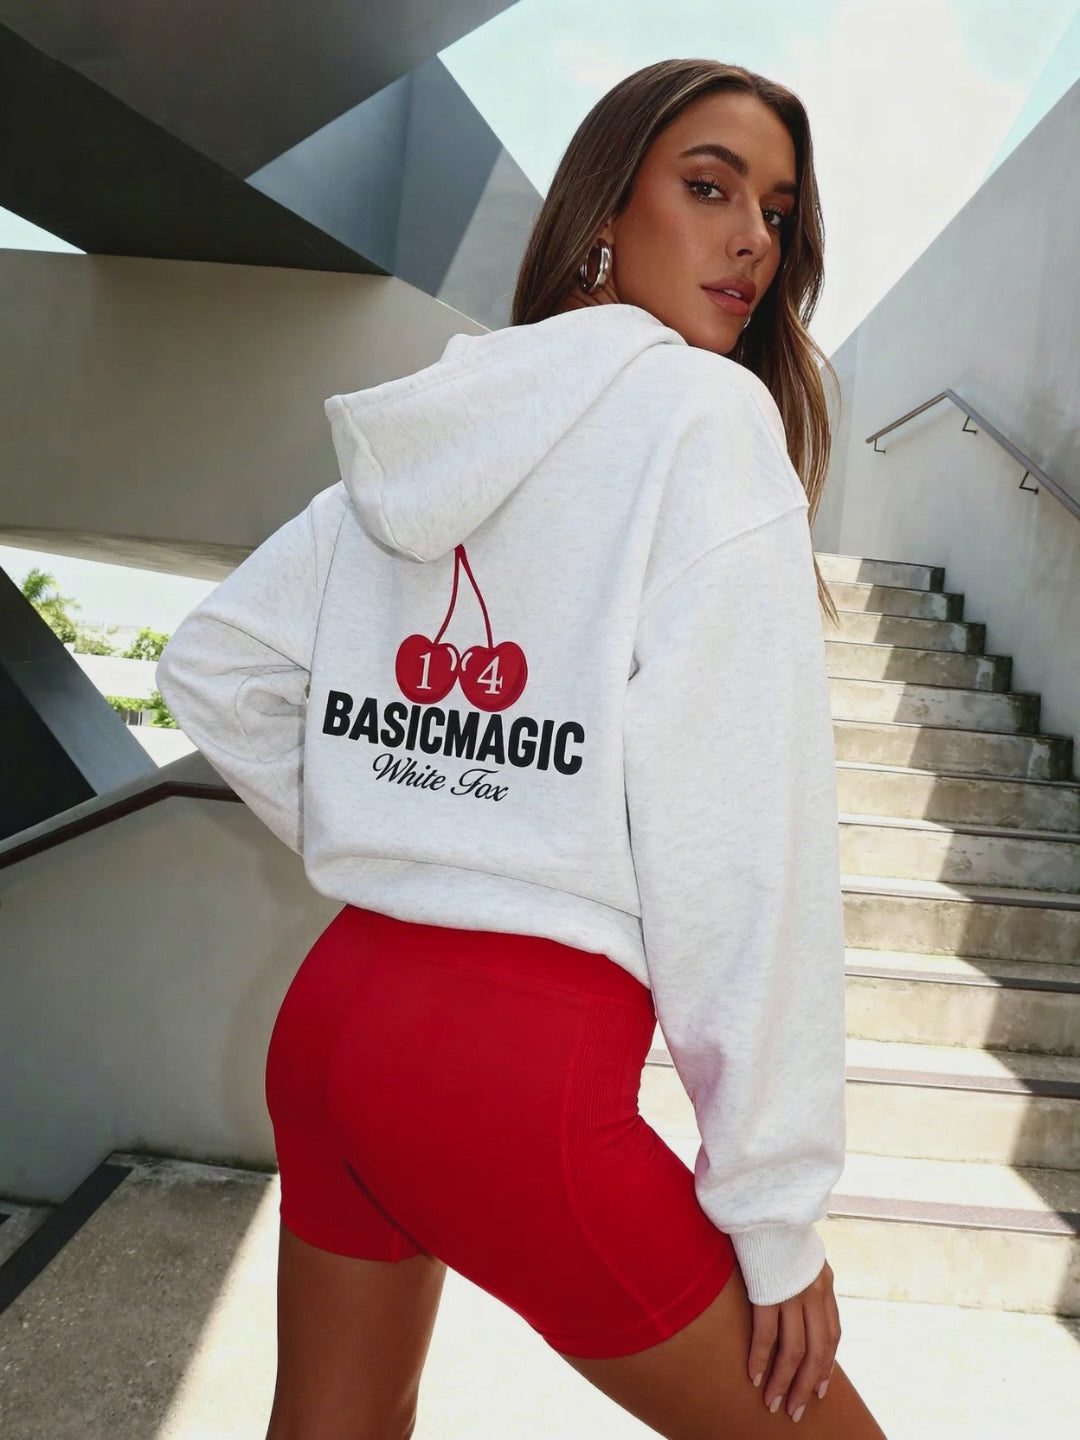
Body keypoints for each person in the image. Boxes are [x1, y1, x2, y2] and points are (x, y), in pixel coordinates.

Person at [156, 57, 887, 1440]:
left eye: (779, 213)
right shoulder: (706, 418)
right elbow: (746, 843)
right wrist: (776, 1207)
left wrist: (408, 824)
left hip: (337, 1017)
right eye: (711, 187)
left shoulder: (444, 418)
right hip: (511, 1067)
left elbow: (219, 663)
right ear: (606, 207)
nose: (752, 240)